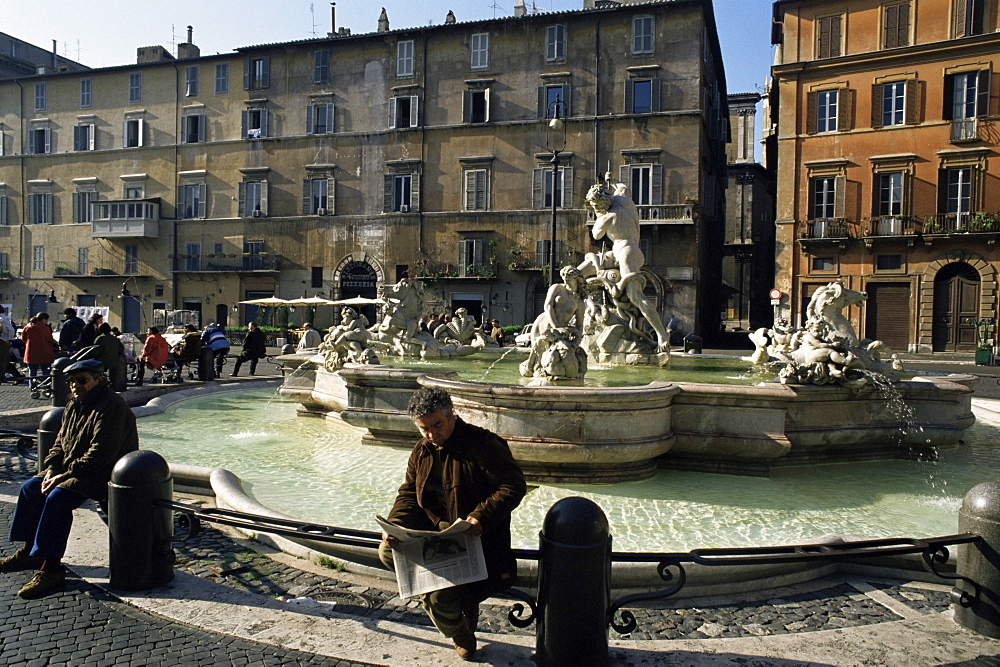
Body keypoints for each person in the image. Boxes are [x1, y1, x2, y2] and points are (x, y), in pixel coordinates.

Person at [379, 387, 526, 660]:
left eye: (437, 425)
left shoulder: (483, 444)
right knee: (387, 551)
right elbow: (409, 493)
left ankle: (460, 632)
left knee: (436, 596)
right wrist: (395, 525)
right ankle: (453, 609)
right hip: (433, 533)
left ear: (452, 415)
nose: (432, 434)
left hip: (474, 536)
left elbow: (513, 486)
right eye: (424, 428)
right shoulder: (421, 450)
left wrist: (480, 517)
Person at [0, 358, 138, 598]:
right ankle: (30, 553)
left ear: (100, 379)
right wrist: (52, 469)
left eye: (82, 380)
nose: (75, 386)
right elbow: (59, 444)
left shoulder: (112, 407)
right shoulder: (75, 405)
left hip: (101, 473)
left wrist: (61, 476)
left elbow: (100, 454)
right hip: (72, 470)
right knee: (30, 488)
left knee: (57, 499)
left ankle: (51, 567)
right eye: (71, 381)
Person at [21, 312, 56, 392]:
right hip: (44, 351)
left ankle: (32, 387)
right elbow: (49, 338)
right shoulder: (45, 328)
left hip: (31, 352)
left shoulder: (27, 327)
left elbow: (23, 338)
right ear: (43, 319)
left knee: (32, 371)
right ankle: (45, 385)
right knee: (46, 371)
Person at [93, 323, 125, 388]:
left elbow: (95, 351)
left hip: (102, 362)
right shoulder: (115, 339)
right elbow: (121, 349)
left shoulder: (99, 338)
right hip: (113, 362)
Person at [0, 305, 14, 380]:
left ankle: (2, 375)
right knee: (3, 360)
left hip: (2, 340)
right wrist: (8, 339)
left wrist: (7, 339)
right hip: (3, 340)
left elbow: (11, 330)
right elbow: (11, 330)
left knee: (3, 359)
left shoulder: (3, 319)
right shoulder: (4, 318)